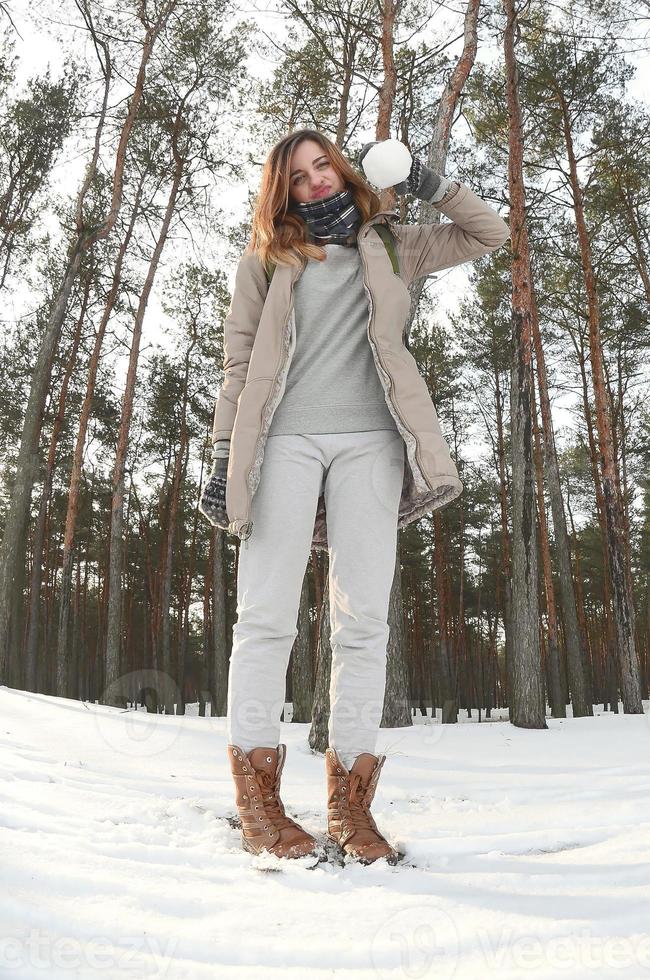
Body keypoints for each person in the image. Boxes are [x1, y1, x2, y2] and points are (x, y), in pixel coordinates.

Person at [200, 129, 509, 864]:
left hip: (374, 444)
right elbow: (238, 359)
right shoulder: (266, 260)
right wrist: (222, 454)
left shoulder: (396, 244)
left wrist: (428, 179)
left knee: (363, 620)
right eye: (297, 177)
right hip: (282, 443)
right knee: (265, 617)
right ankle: (258, 804)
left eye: (321, 167)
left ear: (342, 168)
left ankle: (349, 808)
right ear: (283, 192)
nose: (313, 183)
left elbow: (489, 232)